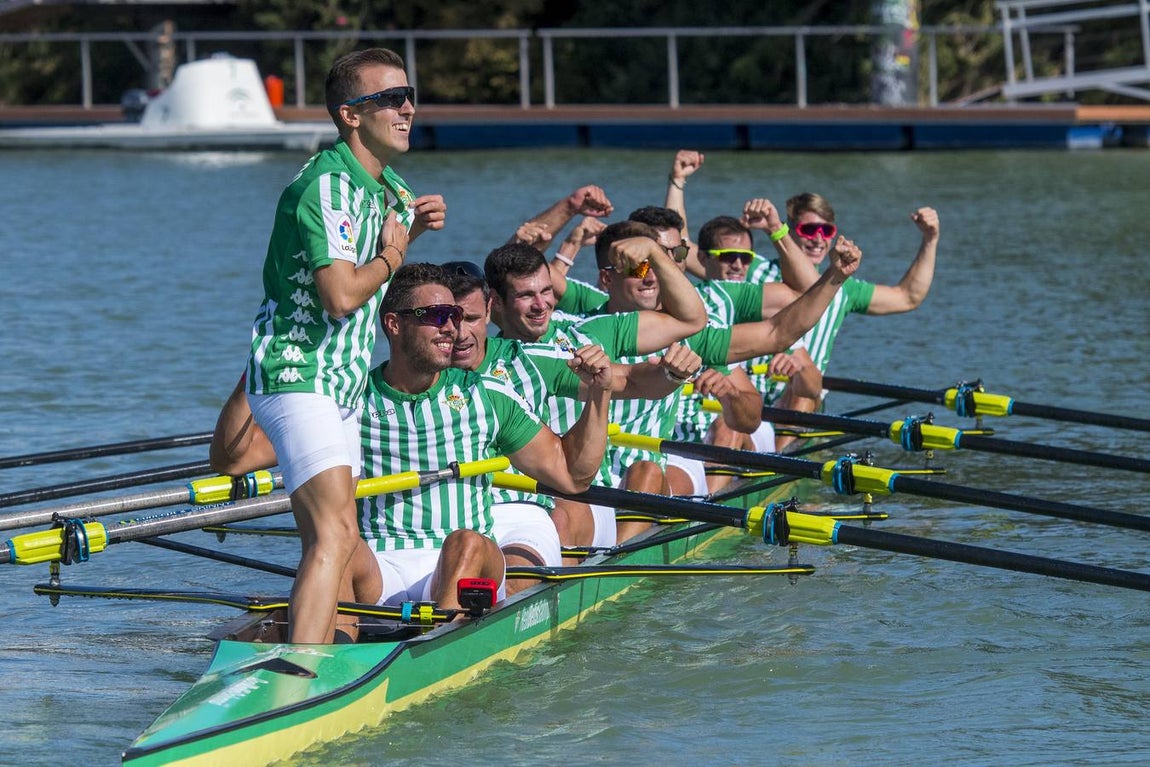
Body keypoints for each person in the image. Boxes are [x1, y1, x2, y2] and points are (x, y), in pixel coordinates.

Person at [241, 48, 446, 644]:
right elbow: (339, 296)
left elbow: (397, 220)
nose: (407, 108)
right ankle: (303, 673)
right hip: (297, 374)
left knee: (337, 535)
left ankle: (325, 645)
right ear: (350, 116)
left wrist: (422, 219)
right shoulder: (325, 184)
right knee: (333, 534)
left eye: (409, 96)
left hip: (342, 387)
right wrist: (396, 253)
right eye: (389, 99)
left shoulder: (390, 185)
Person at [345, 263, 614, 616]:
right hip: (377, 567)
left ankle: (437, 647)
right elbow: (247, 452)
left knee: (467, 542)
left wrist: (599, 394)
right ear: (393, 325)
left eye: (455, 315)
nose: (451, 329)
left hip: (459, 563)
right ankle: (318, 655)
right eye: (438, 315)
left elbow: (571, 476)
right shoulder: (350, 399)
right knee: (334, 542)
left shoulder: (486, 395)